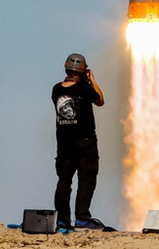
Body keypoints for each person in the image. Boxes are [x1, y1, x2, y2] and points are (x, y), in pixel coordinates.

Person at [51, 53, 106, 231]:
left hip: (64, 143)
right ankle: (82, 218)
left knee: (64, 181)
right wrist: (92, 80)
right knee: (87, 179)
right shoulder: (84, 88)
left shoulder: (56, 90)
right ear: (83, 71)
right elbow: (100, 100)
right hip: (85, 142)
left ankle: (62, 219)